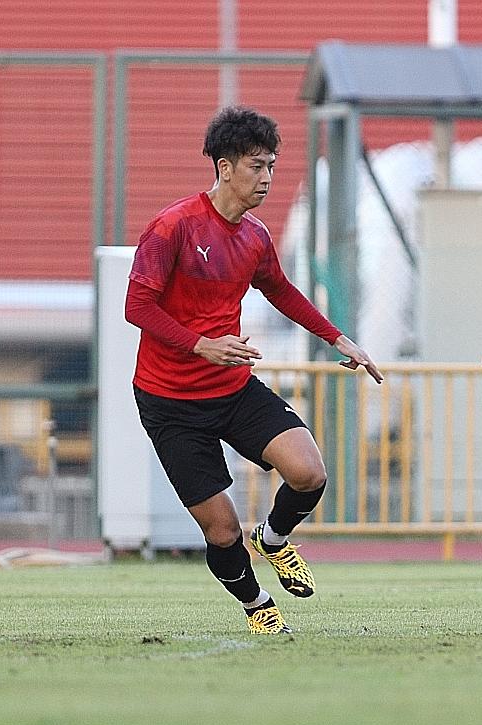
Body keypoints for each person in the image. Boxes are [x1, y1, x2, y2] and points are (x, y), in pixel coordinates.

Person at [125, 106, 383, 635]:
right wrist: (201, 346)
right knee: (221, 530)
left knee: (310, 472)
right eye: (255, 166)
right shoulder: (173, 227)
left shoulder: (255, 235)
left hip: (232, 388)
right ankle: (257, 605)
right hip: (170, 401)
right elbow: (137, 307)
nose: (266, 177)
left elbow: (281, 290)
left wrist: (339, 338)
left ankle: (274, 539)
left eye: (271, 166)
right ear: (223, 168)